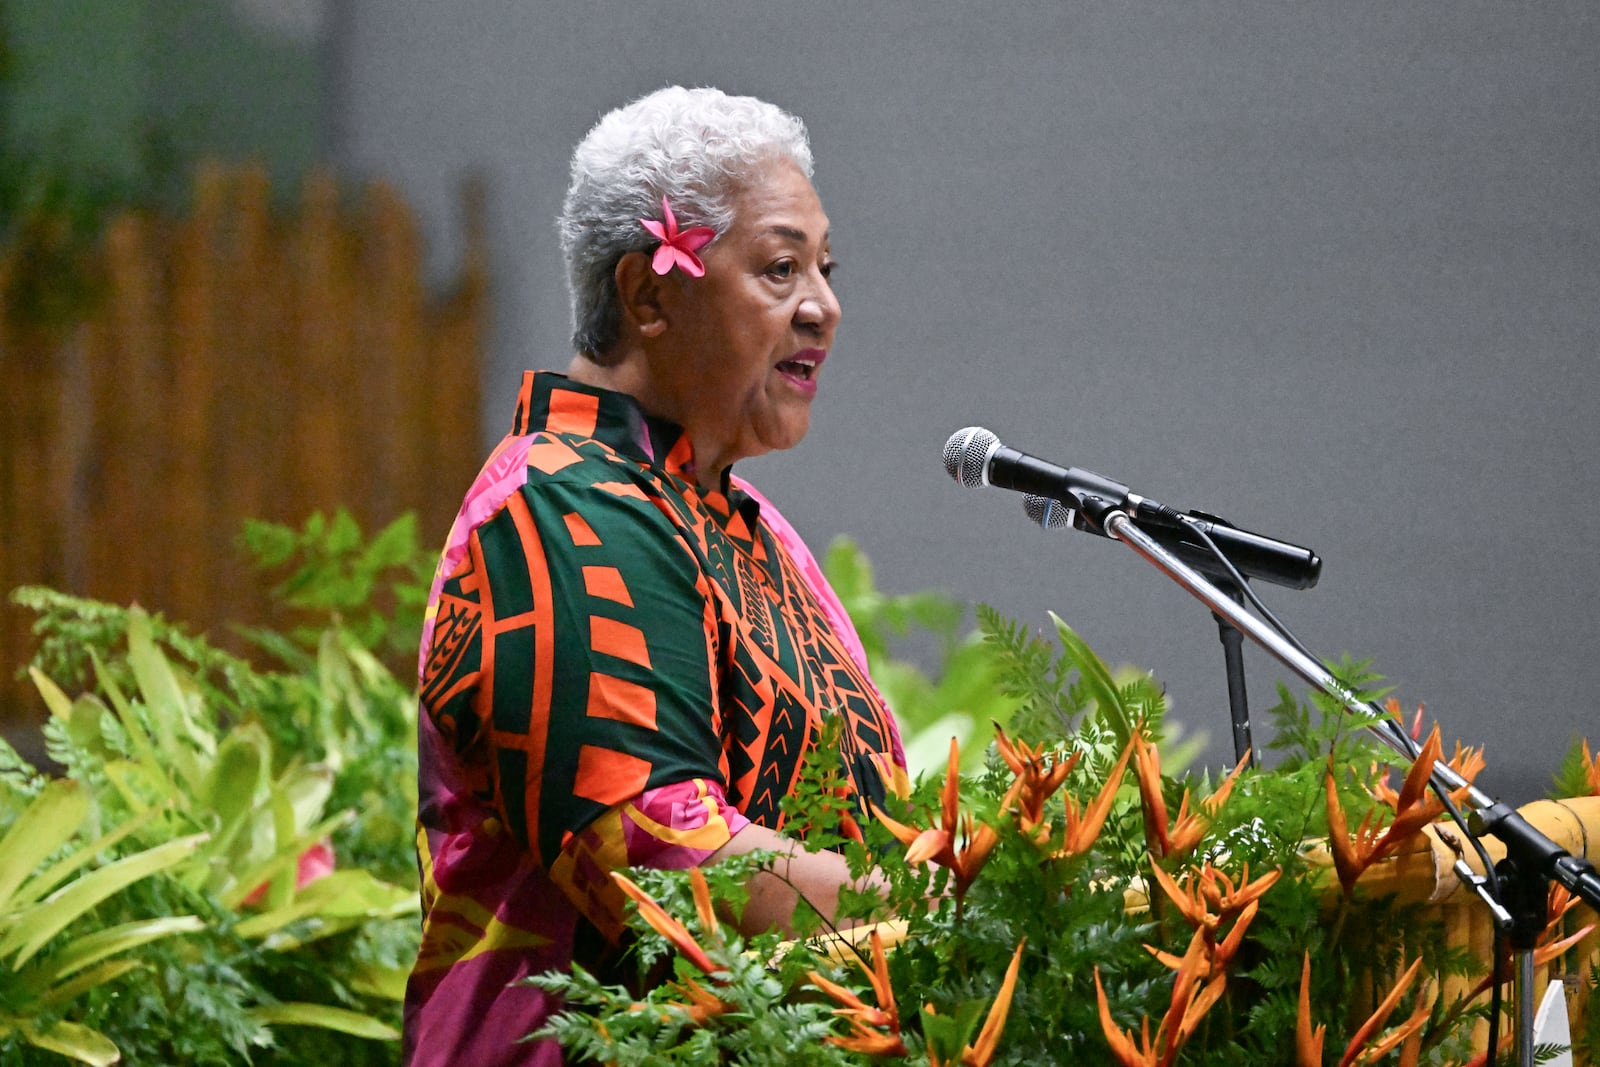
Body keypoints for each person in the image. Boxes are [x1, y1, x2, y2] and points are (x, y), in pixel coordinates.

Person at [401, 86, 908, 1066]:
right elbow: (658, 854)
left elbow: (870, 815)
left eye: (825, 267)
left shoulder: (741, 522)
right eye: (780, 267)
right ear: (647, 296)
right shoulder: (553, 507)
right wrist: (956, 905)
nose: (823, 306)